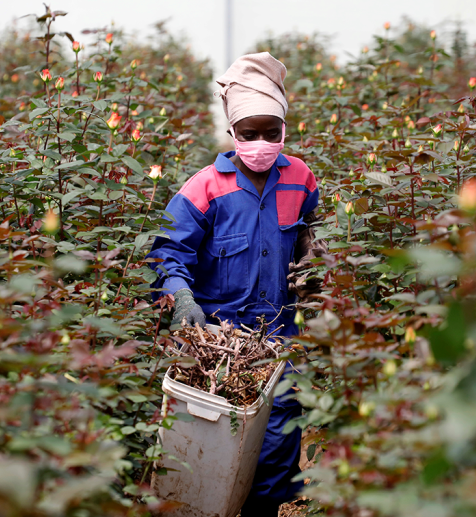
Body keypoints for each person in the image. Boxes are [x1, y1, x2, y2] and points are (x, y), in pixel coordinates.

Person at [148, 52, 325, 516]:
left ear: (284, 131)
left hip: (279, 336)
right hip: (219, 341)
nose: (261, 142)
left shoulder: (301, 178)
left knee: (279, 436)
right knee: (213, 439)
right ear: (233, 134)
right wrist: (181, 295)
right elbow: (169, 251)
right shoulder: (204, 188)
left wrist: (312, 256)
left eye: (272, 132)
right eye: (250, 133)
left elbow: (311, 228)